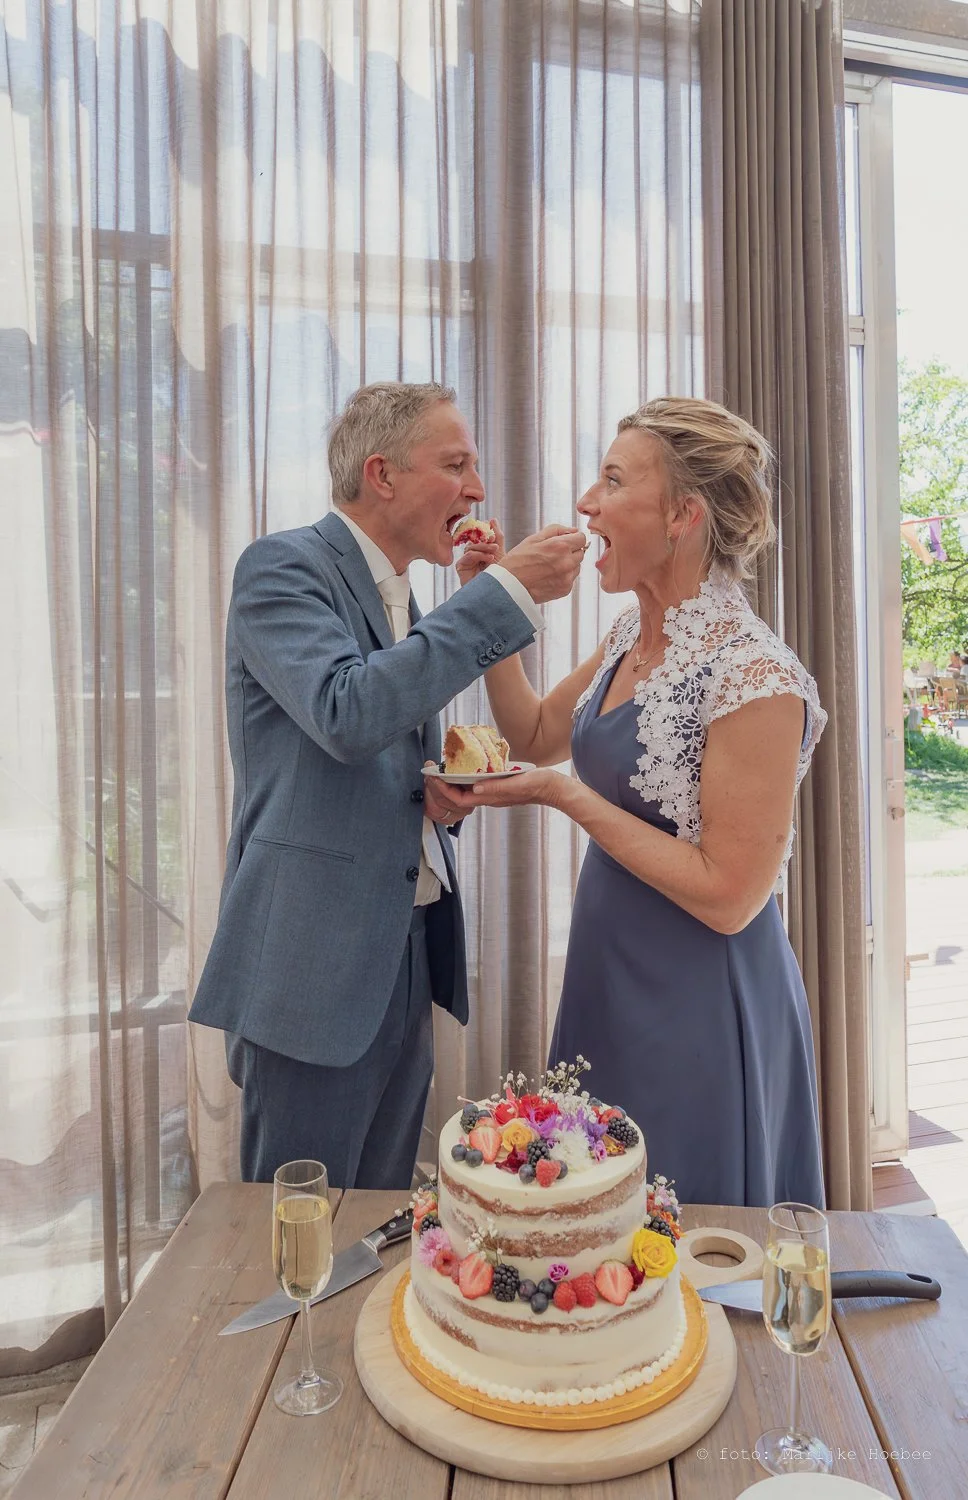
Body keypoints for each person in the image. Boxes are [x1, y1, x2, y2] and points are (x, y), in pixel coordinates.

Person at [188, 381, 587, 1187]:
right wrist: (502, 594)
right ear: (382, 474)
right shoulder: (281, 567)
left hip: (405, 959)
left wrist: (431, 794)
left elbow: (369, 751)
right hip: (313, 971)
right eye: (457, 465)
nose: (478, 489)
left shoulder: (404, 595)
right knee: (297, 1229)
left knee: (377, 1222)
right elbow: (346, 710)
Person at [439, 396, 827, 1208]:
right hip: (607, 977)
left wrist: (561, 795)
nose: (587, 503)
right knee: (593, 1220)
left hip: (697, 1001)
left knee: (687, 1236)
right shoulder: (627, 637)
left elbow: (731, 896)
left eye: (614, 481)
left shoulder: (755, 674)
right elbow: (533, 729)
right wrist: (488, 601)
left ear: (683, 514)